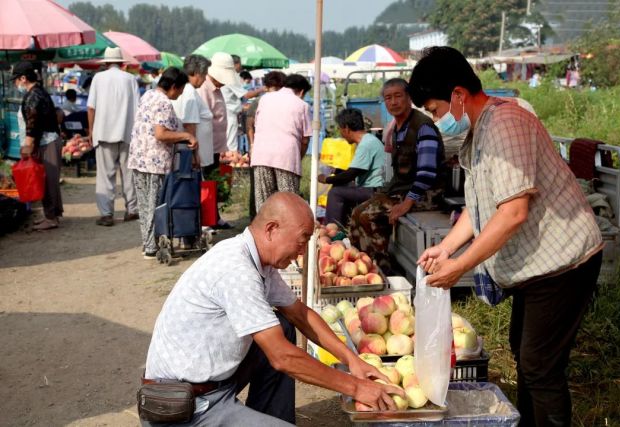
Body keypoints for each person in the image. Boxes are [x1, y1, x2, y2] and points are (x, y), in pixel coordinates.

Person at [409, 46, 603, 427]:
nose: (436, 120)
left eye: (435, 110)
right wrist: (446, 247)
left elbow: (513, 212)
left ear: (459, 96)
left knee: (539, 366)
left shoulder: (505, 125)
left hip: (564, 260)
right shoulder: (478, 132)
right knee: (526, 355)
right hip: (536, 265)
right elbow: (481, 205)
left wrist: (460, 266)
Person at [141, 192, 401, 426]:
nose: (301, 253)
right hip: (186, 407)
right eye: (301, 241)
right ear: (272, 229)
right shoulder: (236, 270)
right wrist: (356, 387)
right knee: (280, 344)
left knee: (285, 326)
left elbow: (300, 313)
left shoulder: (257, 261)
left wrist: (351, 360)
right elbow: (282, 357)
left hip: (213, 385)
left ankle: (270, 417)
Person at [348, 78, 446, 273]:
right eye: (388, 98)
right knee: (357, 213)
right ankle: (365, 268)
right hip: (402, 191)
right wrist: (382, 193)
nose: (393, 102)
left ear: (409, 98)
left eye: (398, 96)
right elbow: (392, 171)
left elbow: (426, 175)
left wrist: (406, 205)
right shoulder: (395, 129)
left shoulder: (423, 127)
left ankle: (383, 270)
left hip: (427, 195)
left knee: (368, 216)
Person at [127, 67, 198, 259]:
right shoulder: (164, 102)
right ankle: (152, 246)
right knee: (156, 205)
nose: (182, 93)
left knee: (144, 205)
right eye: (181, 89)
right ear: (174, 86)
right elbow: (161, 134)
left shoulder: (148, 95)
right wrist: (186, 135)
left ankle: (148, 244)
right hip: (155, 161)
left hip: (139, 158)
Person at [87, 46, 139, 227]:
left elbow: (91, 107)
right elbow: (138, 108)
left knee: (105, 175)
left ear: (107, 62)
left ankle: (107, 214)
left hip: (103, 132)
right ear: (121, 62)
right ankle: (132, 210)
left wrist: (91, 130)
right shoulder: (131, 79)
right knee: (129, 173)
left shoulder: (98, 79)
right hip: (127, 132)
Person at [11, 61, 64, 231]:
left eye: (16, 80)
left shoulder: (33, 96)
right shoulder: (38, 92)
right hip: (47, 141)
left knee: (47, 181)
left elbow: (33, 125)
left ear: (23, 78)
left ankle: (51, 218)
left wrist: (27, 148)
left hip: (46, 143)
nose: (15, 84)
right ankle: (51, 214)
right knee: (48, 180)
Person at [251, 74, 312, 211]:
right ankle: (287, 230)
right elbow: (305, 139)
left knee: (263, 202)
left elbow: (257, 125)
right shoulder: (302, 105)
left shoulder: (265, 99)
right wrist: (298, 158)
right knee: (288, 201)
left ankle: (264, 229)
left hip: (261, 154)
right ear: (301, 91)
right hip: (286, 156)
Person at [318, 108, 385, 226]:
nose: (340, 133)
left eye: (340, 129)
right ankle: (343, 225)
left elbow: (350, 175)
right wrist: (336, 171)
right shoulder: (366, 141)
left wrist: (326, 179)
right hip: (369, 188)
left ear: (346, 129)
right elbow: (355, 171)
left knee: (335, 193)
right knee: (340, 184)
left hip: (375, 190)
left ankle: (333, 231)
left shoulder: (366, 144)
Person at [197, 52, 240, 230]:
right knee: (205, 183)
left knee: (214, 183)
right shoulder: (203, 89)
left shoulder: (217, 90)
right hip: (205, 146)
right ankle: (206, 219)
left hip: (216, 146)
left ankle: (214, 216)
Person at [245, 71, 286, 218]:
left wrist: (252, 145)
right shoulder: (285, 101)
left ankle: (257, 219)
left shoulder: (259, 101)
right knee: (280, 189)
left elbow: (249, 126)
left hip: (261, 150)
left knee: (259, 189)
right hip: (281, 151)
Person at [171, 54, 212, 170]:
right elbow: (190, 125)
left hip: (184, 151)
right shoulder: (189, 92)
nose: (205, 79)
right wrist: (194, 155)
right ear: (197, 73)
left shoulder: (185, 89)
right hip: (188, 154)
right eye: (204, 75)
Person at [221, 55, 262, 152]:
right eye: (240, 63)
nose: (241, 66)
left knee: (228, 142)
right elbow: (247, 95)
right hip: (229, 113)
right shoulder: (231, 77)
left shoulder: (227, 76)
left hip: (227, 112)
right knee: (230, 145)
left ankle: (227, 165)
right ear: (235, 64)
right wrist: (262, 89)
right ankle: (229, 166)